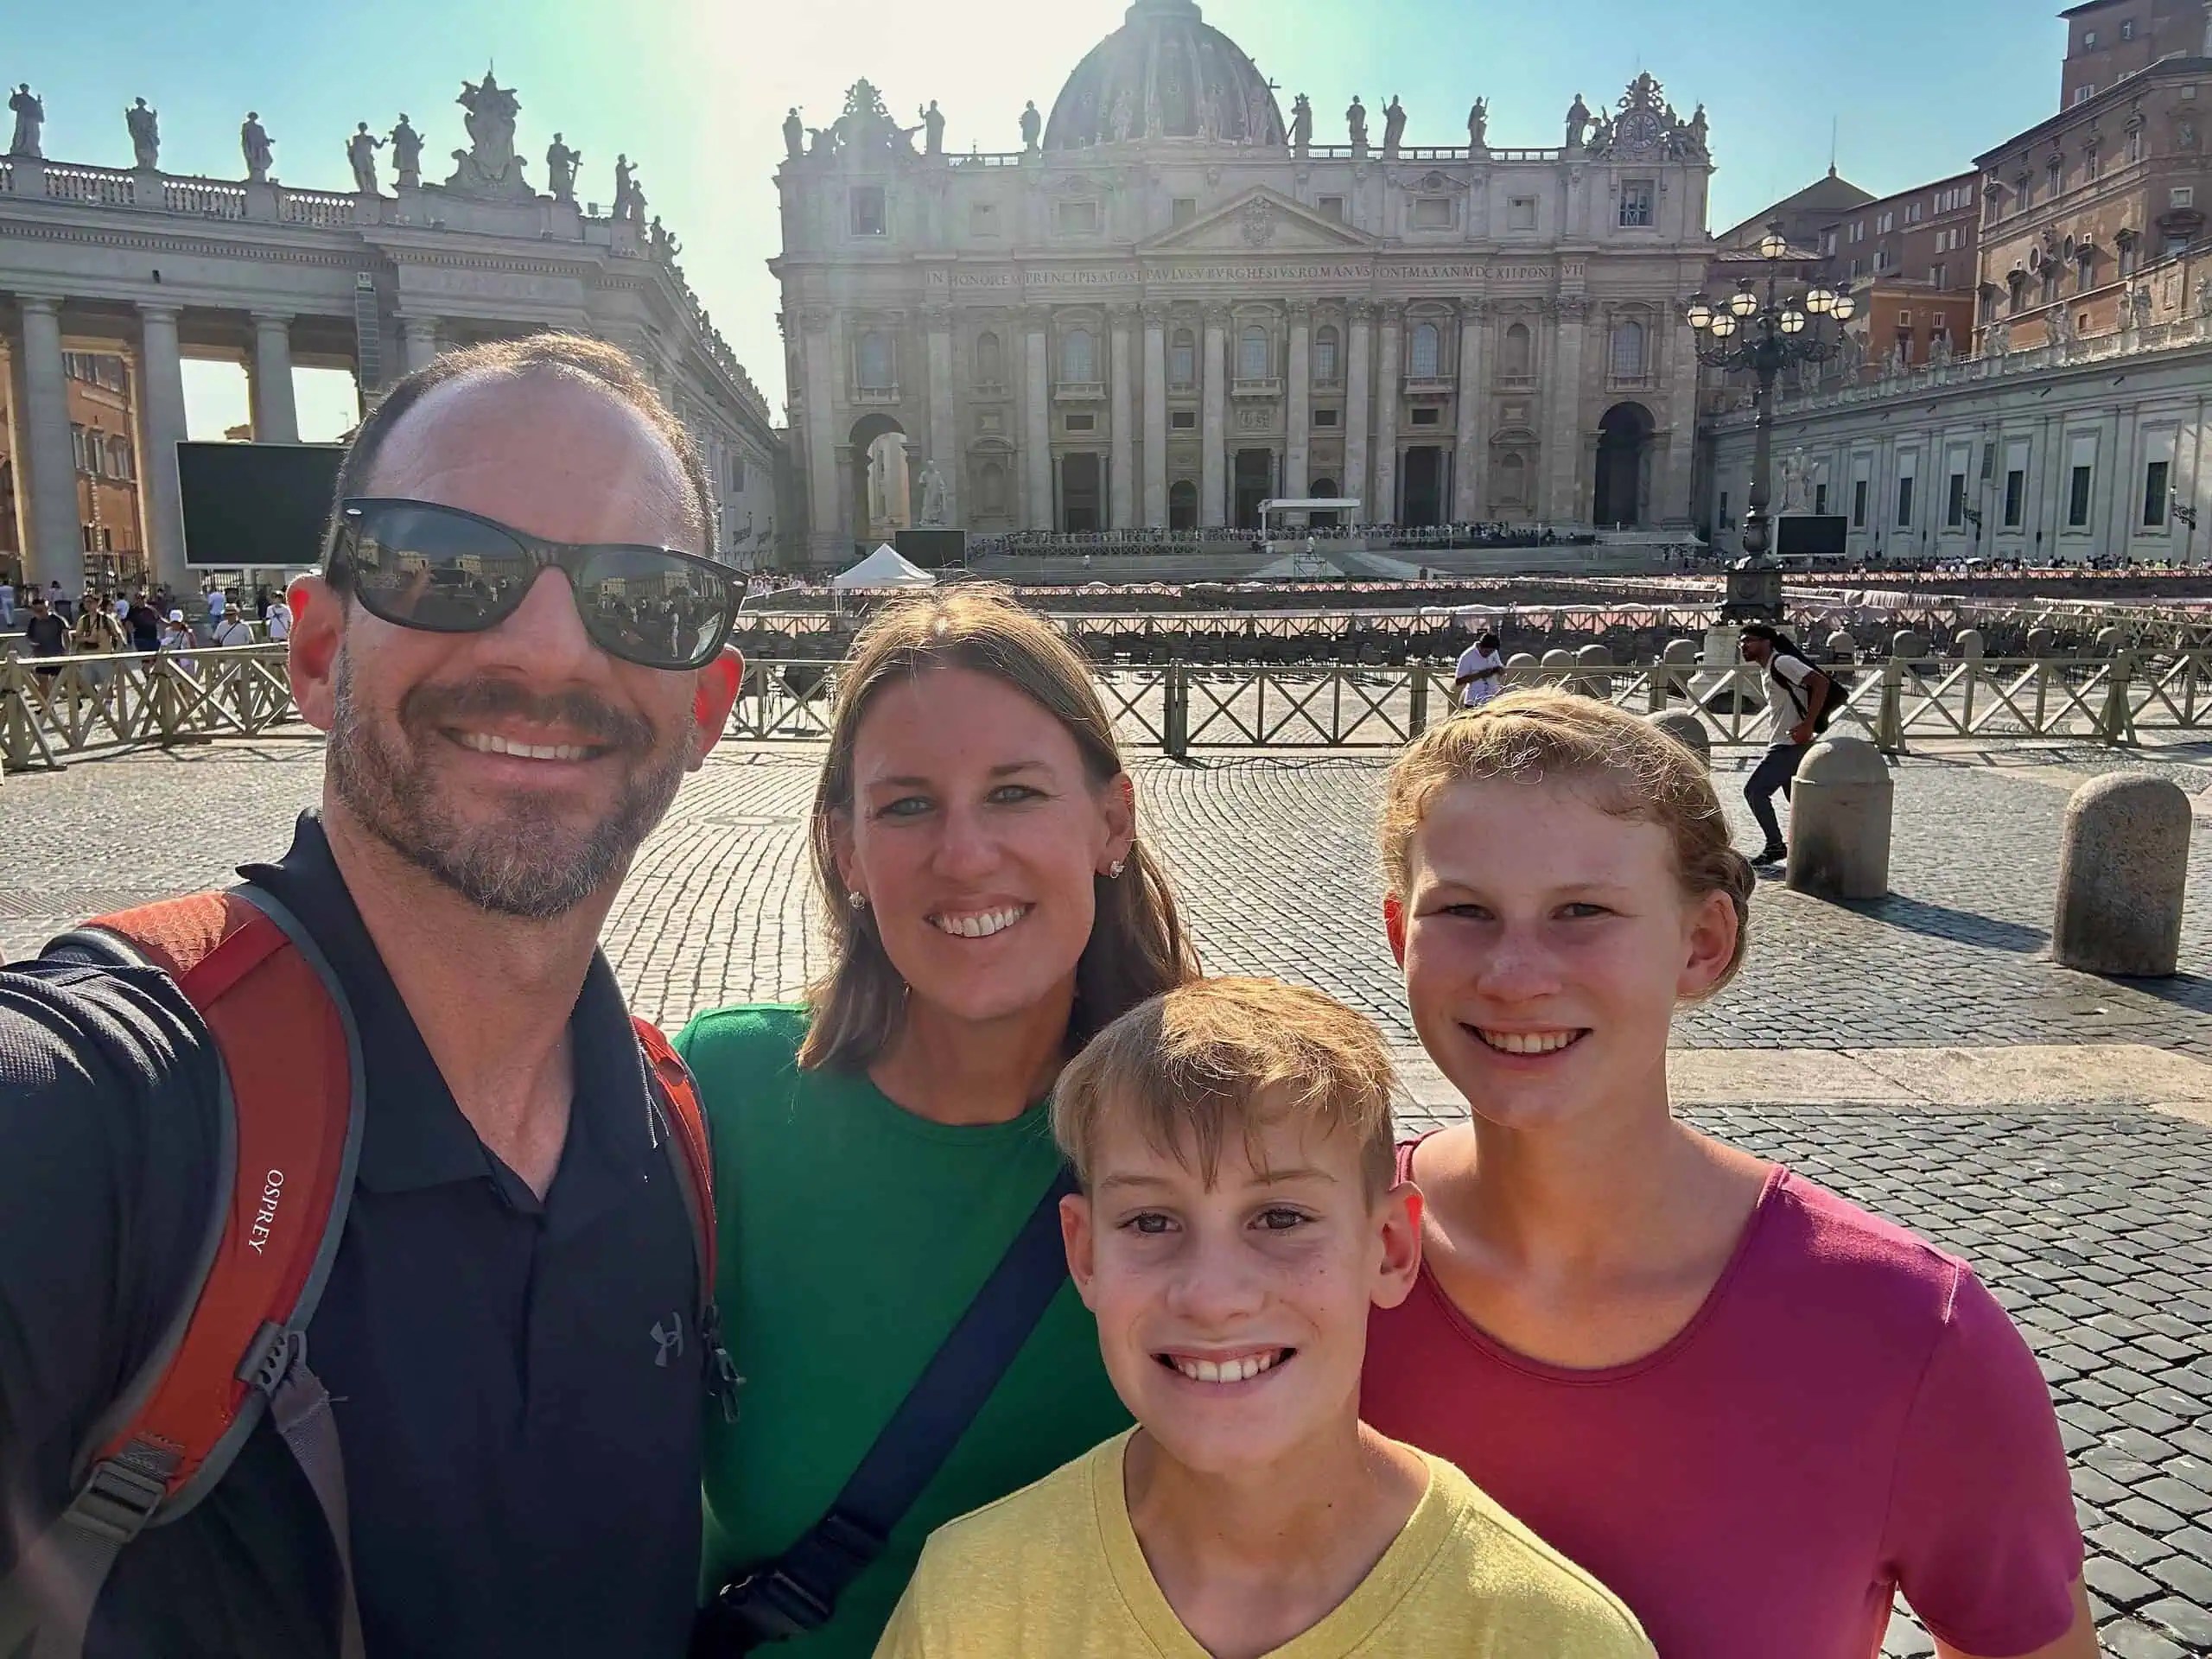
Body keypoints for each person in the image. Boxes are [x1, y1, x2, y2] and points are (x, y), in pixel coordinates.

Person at [0, 334, 748, 1657]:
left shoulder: (681, 1151)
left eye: (644, 597)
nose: (550, 647)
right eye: (446, 566)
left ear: (705, 706)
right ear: (316, 650)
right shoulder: (98, 1112)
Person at [1361, 690, 2090, 1659]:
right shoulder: (1298, 1277)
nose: (1514, 972)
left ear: (1701, 944)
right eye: (1463, 911)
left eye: (1582, 910)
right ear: (1399, 934)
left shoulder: (1909, 1332)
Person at [683, 588, 1198, 1656]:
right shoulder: (722, 1101)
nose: (964, 856)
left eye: (1012, 793)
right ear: (844, 851)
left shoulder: (1227, 1132)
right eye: (908, 805)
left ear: (1112, 822)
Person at [877, 977, 1654, 1659]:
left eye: (1279, 1218)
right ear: (1084, 1257)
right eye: (1151, 1222)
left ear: (1388, 1248)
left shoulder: (1549, 1636)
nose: (1214, 1295)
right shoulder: (973, 1600)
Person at [1738, 622, 1830, 866]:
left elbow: (1821, 683)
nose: (1743, 645)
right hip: (1785, 741)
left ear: (1767, 642)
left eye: (1749, 640)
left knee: (1755, 791)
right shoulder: (1767, 668)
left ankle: (1776, 845)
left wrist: (1808, 725)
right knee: (1799, 803)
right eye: (1742, 641)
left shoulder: (1782, 662)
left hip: (1789, 744)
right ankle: (1818, 850)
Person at [1453, 628, 1504, 709]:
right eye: (1487, 652)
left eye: (1491, 652)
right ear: (1480, 646)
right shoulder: (1467, 656)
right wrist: (1480, 675)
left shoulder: (1493, 652)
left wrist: (1500, 670)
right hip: (1474, 702)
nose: (1489, 654)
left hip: (1494, 700)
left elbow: (1500, 667)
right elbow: (1458, 681)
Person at [22, 594, 68, 681]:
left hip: (57, 657)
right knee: (43, 682)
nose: (39, 613)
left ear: (47, 608)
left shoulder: (57, 620)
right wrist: (32, 645)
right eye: (36, 611)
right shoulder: (33, 622)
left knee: (62, 682)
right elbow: (29, 637)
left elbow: (66, 635)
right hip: (41, 658)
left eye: (41, 610)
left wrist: (67, 653)